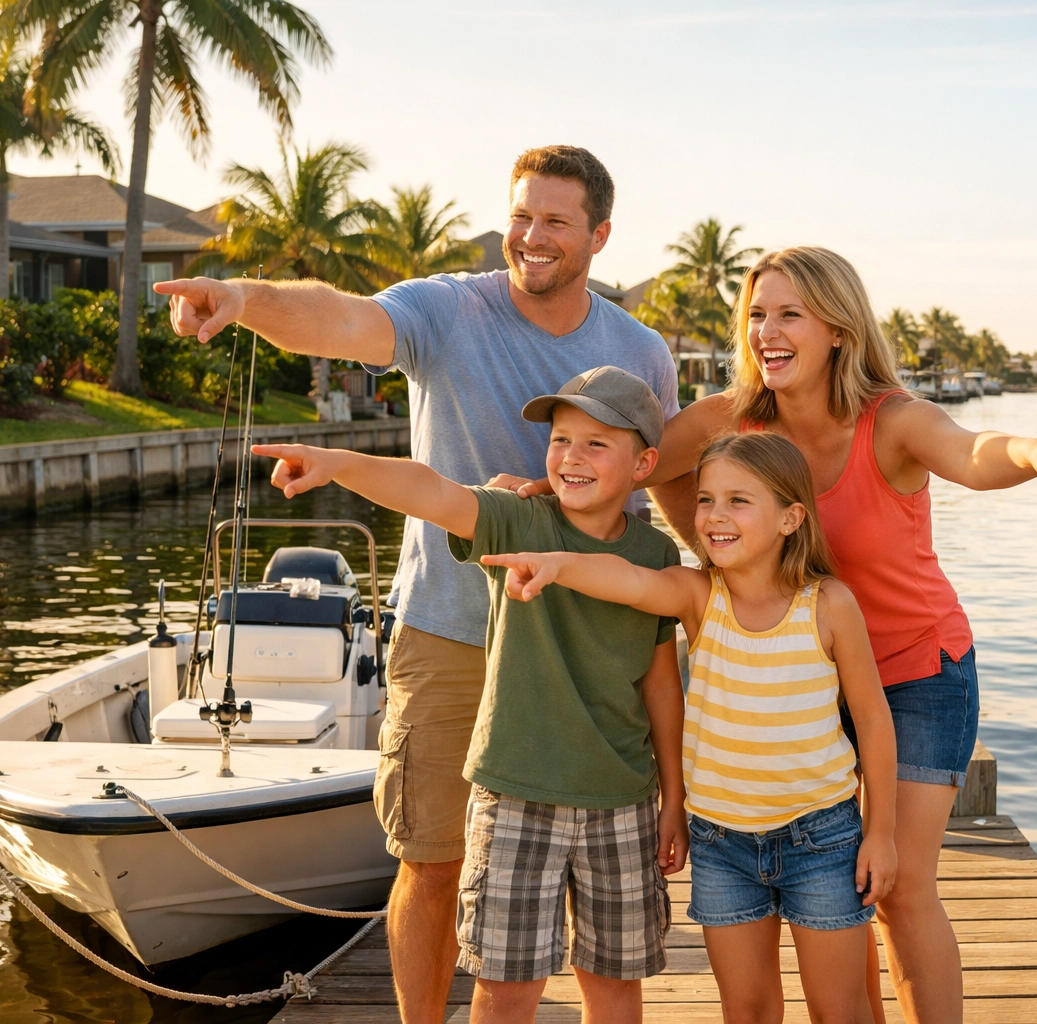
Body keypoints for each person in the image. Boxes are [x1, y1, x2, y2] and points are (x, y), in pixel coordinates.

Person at [500, 247, 1037, 1023]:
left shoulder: (895, 420)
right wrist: (549, 489)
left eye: (789, 314)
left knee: (900, 886)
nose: (767, 332)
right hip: (798, 670)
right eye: (756, 314)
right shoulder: (730, 419)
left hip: (915, 671)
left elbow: (972, 451)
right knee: (843, 898)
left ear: (839, 330)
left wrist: (1035, 455)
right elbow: (631, 462)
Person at [155, 147, 679, 1024]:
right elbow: (340, 319)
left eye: (555, 220)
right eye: (521, 214)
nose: (531, 236)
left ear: (599, 234)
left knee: (595, 901)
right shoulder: (449, 307)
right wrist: (246, 302)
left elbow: (652, 489)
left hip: (586, 655)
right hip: (449, 635)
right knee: (432, 862)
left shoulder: (641, 352)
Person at [251, 366, 686, 1024]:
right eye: (561, 438)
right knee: (505, 990)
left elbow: (660, 682)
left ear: (643, 463)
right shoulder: (513, 520)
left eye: (597, 443)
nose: (571, 456)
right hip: (515, 799)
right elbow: (428, 489)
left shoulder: (657, 556)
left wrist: (673, 797)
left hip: (621, 803)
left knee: (615, 987)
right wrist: (335, 462)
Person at [481, 431, 898, 1024]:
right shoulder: (699, 597)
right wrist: (556, 565)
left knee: (840, 1010)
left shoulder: (829, 605)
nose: (715, 516)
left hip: (824, 839)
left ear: (791, 518)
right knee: (747, 1010)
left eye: (738, 501)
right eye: (705, 500)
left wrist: (879, 833)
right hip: (722, 844)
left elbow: (875, 724)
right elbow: (629, 581)